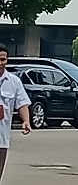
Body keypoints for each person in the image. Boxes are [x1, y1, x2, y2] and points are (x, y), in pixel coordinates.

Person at [0, 43, 31, 180]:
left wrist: (26, 121)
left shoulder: (14, 82)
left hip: (1, 139)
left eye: (3, 59)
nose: (1, 63)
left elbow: (22, 104)